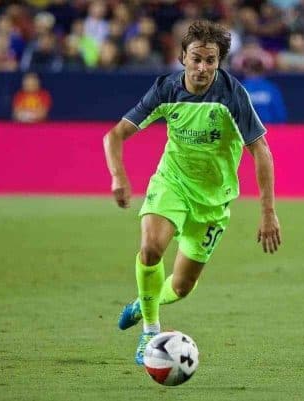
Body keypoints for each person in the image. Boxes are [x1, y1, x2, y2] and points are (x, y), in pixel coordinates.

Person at [103, 20, 281, 365]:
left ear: (219, 62)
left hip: (213, 200)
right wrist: (118, 176)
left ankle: (144, 303)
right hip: (172, 183)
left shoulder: (232, 96)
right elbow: (113, 136)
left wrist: (268, 211)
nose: (202, 68)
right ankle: (150, 333)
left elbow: (262, 151)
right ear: (182, 57)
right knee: (151, 248)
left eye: (210, 61)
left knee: (182, 287)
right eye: (196, 59)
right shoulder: (166, 89)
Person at [241, 57, 287, 123]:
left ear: (245, 70)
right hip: (270, 130)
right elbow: (280, 114)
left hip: (248, 131)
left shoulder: (240, 88)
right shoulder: (271, 87)